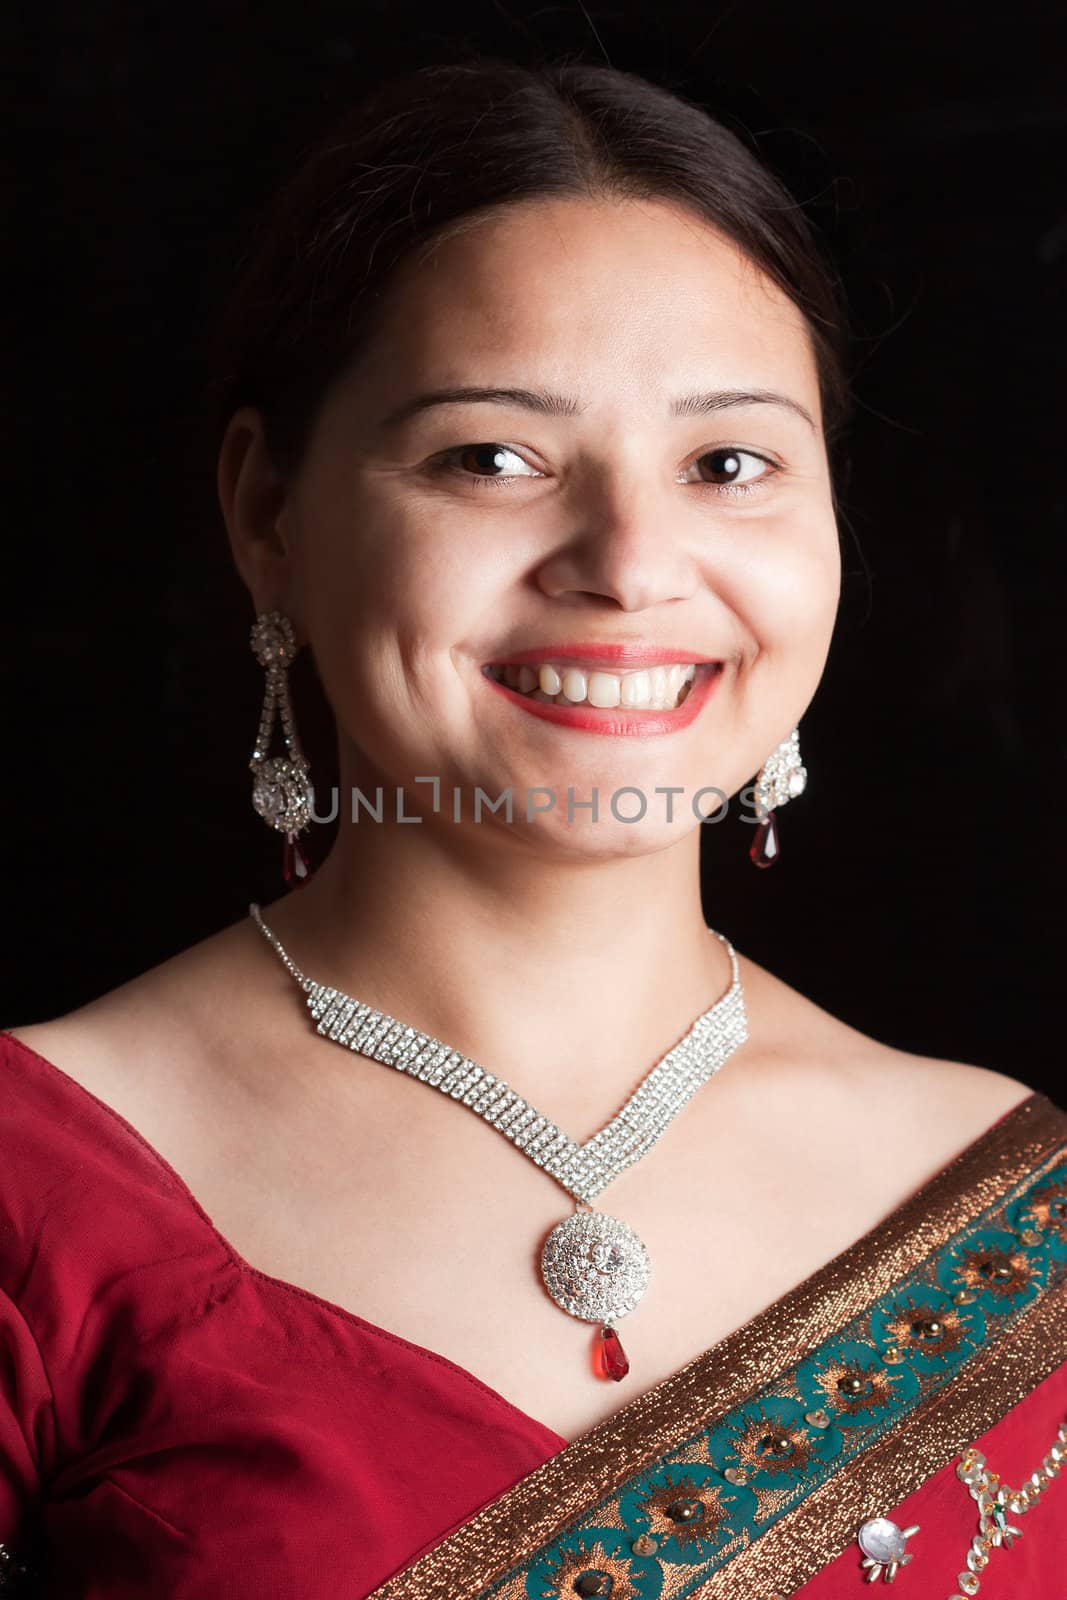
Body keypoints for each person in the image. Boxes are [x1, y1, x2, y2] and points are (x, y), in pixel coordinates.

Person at [2, 54, 1065, 1600]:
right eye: (491, 458)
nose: (631, 564)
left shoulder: (1016, 1203)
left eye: (729, 463)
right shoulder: (39, 1194)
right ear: (267, 516)